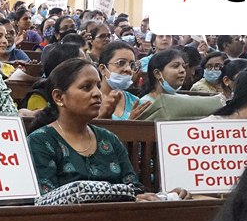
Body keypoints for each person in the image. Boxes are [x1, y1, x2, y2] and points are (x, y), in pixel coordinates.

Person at [28, 58, 178, 199]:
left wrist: (164, 196)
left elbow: (134, 188)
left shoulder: (109, 139)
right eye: (86, 87)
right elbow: (48, 199)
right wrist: (122, 197)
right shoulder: (40, 141)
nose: (97, 94)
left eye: (98, 86)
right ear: (59, 97)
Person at [128, 49, 222, 121]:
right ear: (157, 73)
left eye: (183, 66)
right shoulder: (144, 104)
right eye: (175, 66)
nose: (182, 70)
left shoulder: (183, 99)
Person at [96, 40, 143, 120]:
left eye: (132, 65)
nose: (128, 69)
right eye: (121, 63)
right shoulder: (91, 100)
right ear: (103, 69)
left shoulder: (136, 102)